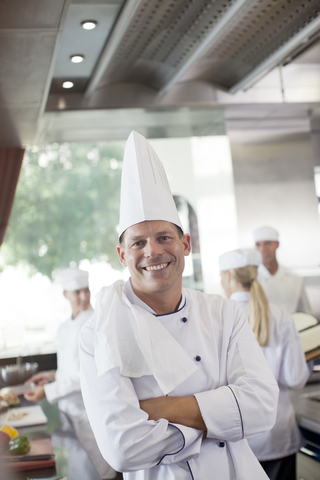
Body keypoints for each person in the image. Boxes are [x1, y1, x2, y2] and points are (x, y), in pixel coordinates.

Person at [79, 130, 279, 480]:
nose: (152, 251)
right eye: (138, 242)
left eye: (164, 237)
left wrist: (162, 409)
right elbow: (123, 449)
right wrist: (221, 419)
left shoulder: (223, 313)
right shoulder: (99, 332)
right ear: (122, 255)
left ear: (185, 244)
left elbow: (262, 408)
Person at [219, 248, 310, 480]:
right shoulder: (280, 316)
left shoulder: (216, 318)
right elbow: (296, 378)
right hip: (276, 433)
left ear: (227, 276)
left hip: (234, 436)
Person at [24, 268, 116, 480]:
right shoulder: (64, 327)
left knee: (99, 470)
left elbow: (88, 375)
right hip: (68, 409)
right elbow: (72, 368)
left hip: (90, 410)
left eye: (86, 290)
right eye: (77, 292)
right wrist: (51, 375)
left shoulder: (97, 322)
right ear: (65, 294)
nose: (83, 297)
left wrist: (45, 391)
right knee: (75, 468)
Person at [253, 226, 311, 314]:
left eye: (267, 243)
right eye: (258, 244)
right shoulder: (252, 278)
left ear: (277, 244)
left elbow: (305, 311)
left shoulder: (294, 277)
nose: (263, 249)